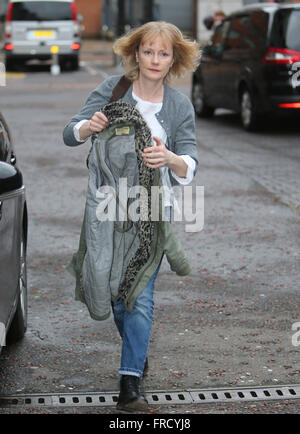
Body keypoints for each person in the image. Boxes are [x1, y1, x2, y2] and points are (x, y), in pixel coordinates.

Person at [63, 21, 200, 412]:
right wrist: (90, 125)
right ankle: (136, 354)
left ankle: (130, 384)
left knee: (138, 296)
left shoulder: (178, 106)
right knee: (115, 294)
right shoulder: (113, 89)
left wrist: (169, 157)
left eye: (164, 53)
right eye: (148, 51)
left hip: (153, 210)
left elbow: (190, 164)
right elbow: (68, 133)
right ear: (135, 53)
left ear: (174, 59)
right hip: (109, 209)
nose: (155, 60)